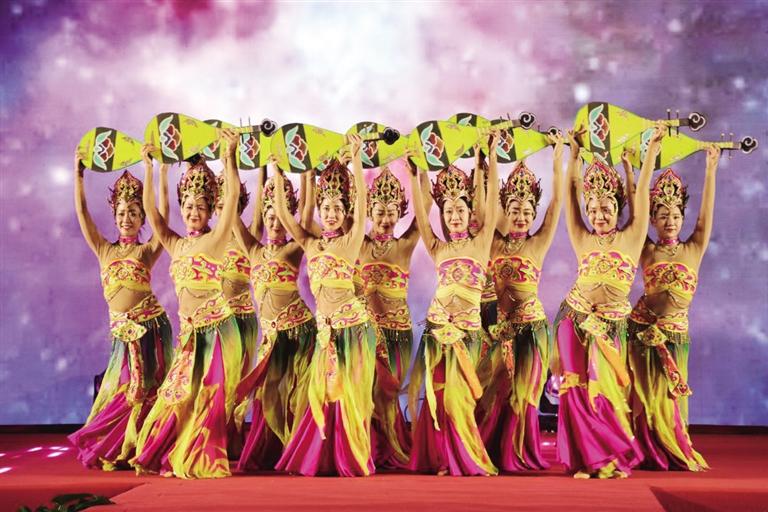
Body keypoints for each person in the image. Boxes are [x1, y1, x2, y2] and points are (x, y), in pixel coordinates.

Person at [552, 124, 665, 478]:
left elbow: (642, 192)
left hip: (611, 325)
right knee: (574, 388)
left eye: (606, 208)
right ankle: (585, 460)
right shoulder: (581, 236)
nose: (599, 216)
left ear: (618, 208)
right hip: (574, 319)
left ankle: (609, 459)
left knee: (606, 389)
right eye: (593, 209)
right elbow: (569, 196)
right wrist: (573, 154)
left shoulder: (632, 236)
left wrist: (651, 151)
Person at [131, 130, 244, 479]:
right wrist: (151, 168)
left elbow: (232, 195)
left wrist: (229, 157)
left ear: (211, 211)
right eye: (189, 206)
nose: (194, 212)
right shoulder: (174, 243)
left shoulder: (217, 238)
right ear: (182, 208)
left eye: (201, 206)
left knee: (209, 396)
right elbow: (151, 212)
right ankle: (174, 449)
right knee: (178, 394)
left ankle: (201, 457)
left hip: (219, 332)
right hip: (191, 334)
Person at [271, 136, 379, 476]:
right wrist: (277, 172)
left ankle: (350, 457)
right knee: (320, 395)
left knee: (348, 396)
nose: (331, 215)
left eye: (337, 209)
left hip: (352, 330)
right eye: (326, 208)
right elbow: (286, 216)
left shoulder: (350, 241)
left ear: (345, 212)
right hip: (325, 334)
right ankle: (321, 456)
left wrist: (357, 160)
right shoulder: (310, 243)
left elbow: (362, 205)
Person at [69, 153, 173, 470]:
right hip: (122, 335)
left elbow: (164, 213)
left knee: (147, 387)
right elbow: (83, 212)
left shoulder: (147, 250)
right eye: (122, 212)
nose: (127, 218)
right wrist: (78, 175)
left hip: (150, 328)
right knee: (124, 389)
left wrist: (157, 171)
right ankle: (124, 447)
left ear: (143, 219)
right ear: (114, 216)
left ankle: (144, 449)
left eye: (134, 213)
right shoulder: (104, 250)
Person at [407, 134, 501, 476]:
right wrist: (417, 174)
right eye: (449, 211)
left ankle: (467, 458)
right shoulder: (438, 247)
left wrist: (488, 158)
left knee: (458, 397)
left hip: (467, 333)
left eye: (461, 209)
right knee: (438, 395)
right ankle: (444, 459)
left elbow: (490, 202)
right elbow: (421, 216)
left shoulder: (481, 241)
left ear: (470, 211)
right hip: (436, 331)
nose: (455, 215)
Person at [627, 145, 721, 471]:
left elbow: (706, 214)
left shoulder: (694, 247)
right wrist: (630, 174)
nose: (670, 221)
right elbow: (635, 213)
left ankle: (672, 447)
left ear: (683, 218)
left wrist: (711, 169)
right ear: (653, 219)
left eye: (676, 215)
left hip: (675, 334)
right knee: (645, 395)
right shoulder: (647, 249)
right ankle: (648, 450)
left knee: (671, 395)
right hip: (644, 331)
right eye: (663, 215)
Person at [475, 133, 564, 472]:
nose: (521, 216)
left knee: (524, 394)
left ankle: (520, 453)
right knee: (495, 391)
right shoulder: (493, 242)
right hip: (500, 330)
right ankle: (493, 451)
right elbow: (486, 206)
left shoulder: (538, 241)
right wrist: (489, 158)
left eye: (528, 211)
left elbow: (556, 204)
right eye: (514, 210)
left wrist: (558, 157)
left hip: (531, 330)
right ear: (505, 211)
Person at [233, 167, 317, 470]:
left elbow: (306, 215)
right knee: (267, 395)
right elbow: (233, 217)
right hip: (271, 337)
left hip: (298, 333)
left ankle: (297, 454)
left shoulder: (294, 249)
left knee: (296, 395)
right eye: (269, 218)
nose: (274, 223)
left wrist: (306, 173)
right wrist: (233, 163)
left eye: (280, 218)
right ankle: (268, 453)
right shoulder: (253, 250)